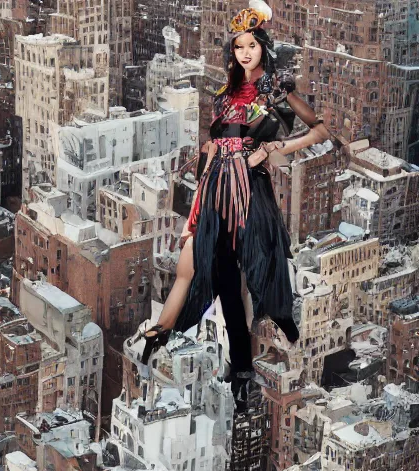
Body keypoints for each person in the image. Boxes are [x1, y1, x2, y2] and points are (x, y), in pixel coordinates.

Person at [140, 3, 330, 408]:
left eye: (252, 45)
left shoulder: (275, 87)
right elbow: (215, 142)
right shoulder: (224, 95)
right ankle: (240, 367)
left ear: (263, 47)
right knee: (225, 281)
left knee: (257, 266)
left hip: (249, 187)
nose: (245, 53)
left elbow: (319, 130)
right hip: (214, 190)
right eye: (238, 46)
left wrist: (277, 146)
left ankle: (273, 326)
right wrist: (202, 165)